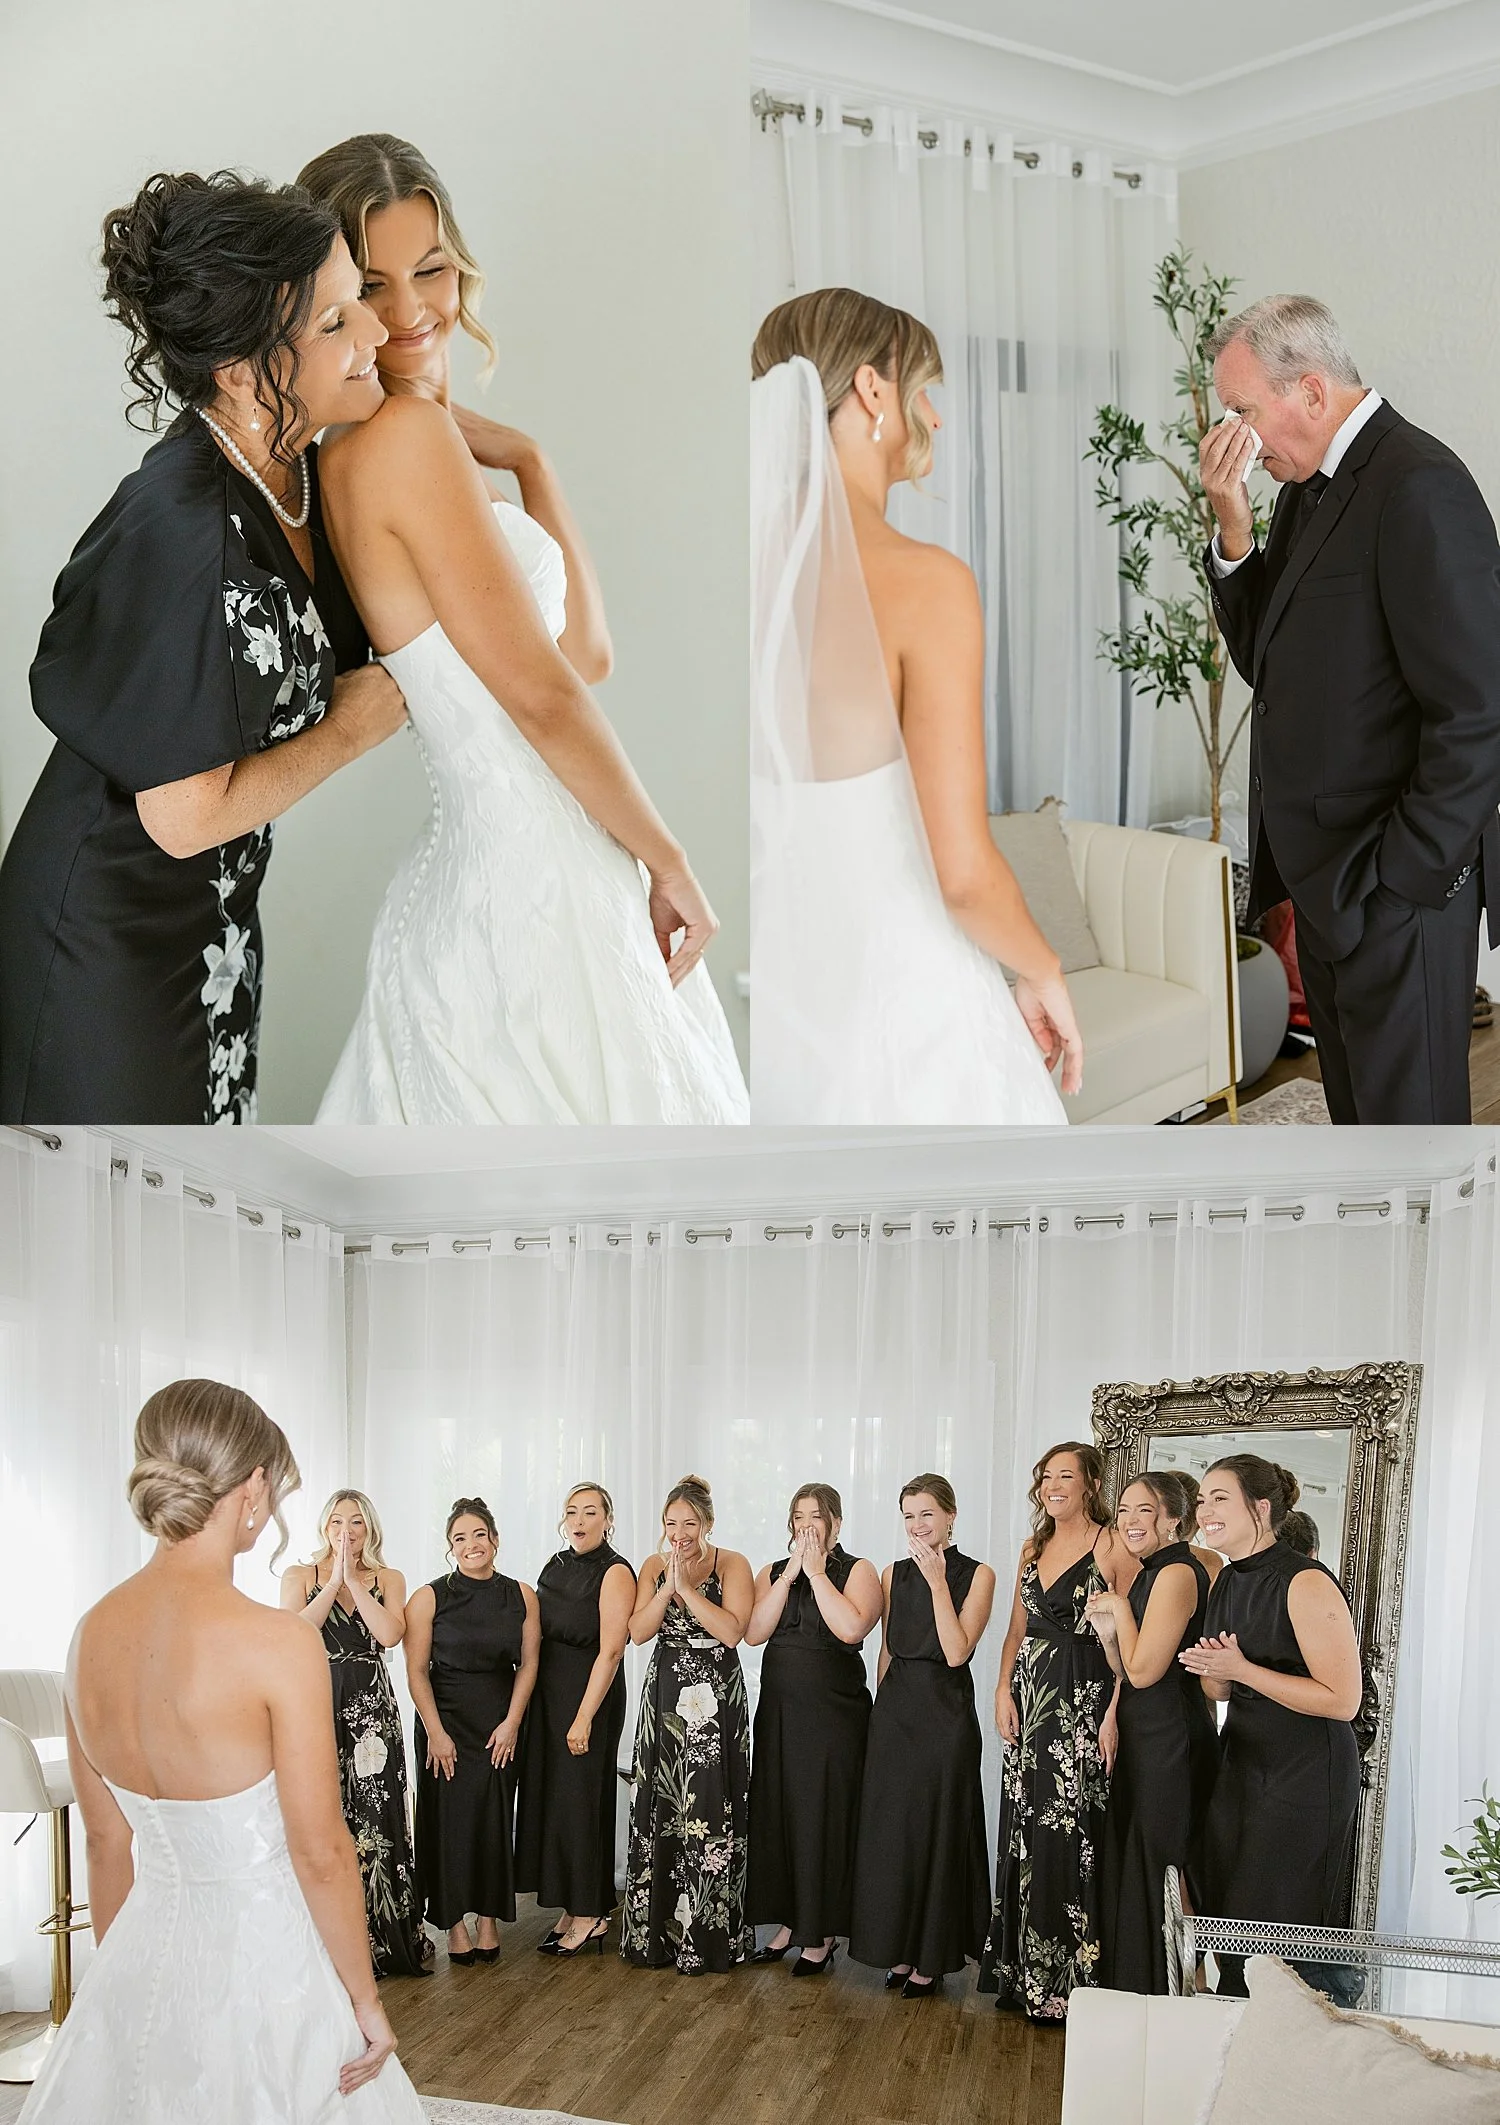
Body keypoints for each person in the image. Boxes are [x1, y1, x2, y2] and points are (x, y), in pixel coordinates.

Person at [295, 134, 748, 1125]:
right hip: (540, 896)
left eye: (431, 270)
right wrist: (672, 862)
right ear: (324, 295)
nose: (413, 312)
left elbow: (584, 655)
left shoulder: (367, 448)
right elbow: (545, 698)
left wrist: (534, 463)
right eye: (374, 286)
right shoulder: (402, 440)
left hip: (505, 877)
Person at [0, 172, 406, 1125]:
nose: (377, 335)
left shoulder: (297, 457)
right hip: (106, 946)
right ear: (239, 367)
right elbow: (183, 817)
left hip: (210, 933)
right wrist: (355, 726)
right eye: (340, 321)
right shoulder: (181, 531)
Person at [18, 1379, 419, 2121]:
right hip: (265, 1961)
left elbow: (108, 1843)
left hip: (138, 1954)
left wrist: (130, 1988)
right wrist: (365, 2001)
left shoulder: (88, 1634)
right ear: (255, 1485)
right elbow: (321, 1851)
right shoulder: (279, 1642)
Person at [748, 290, 1081, 1124]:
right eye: (922, 386)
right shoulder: (927, 582)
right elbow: (962, 875)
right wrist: (1043, 969)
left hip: (776, 1013)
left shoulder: (729, 574)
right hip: (901, 1006)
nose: (931, 411)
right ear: (871, 391)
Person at [1200, 293, 1500, 1124]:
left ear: (1311, 392)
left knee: (1414, 1146)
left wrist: (1400, 885)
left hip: (1394, 892)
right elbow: (1267, 659)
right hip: (1328, 889)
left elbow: (1479, 716)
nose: (1239, 442)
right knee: (1357, 1129)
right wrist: (1234, 529)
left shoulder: (1421, 486)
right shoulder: (1307, 488)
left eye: (1242, 412)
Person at [1179, 1455, 1362, 1998]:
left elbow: (1343, 1700)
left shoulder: (1304, 1581)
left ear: (1260, 1509)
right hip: (1246, 1764)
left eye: (1219, 1498)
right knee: (1233, 1915)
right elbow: (1222, 1690)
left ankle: (1296, 2054)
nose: (1204, 1510)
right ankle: (1238, 2047)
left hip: (1306, 1773)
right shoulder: (1227, 1581)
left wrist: (1242, 1670)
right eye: (1201, 1499)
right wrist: (1213, 1671)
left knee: (1283, 1922)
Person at [978, 1441, 1131, 2022]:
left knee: (1071, 1832)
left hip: (1083, 1699)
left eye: (1065, 1476)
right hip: (1031, 1702)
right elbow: (1017, 1629)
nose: (1052, 1486)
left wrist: (1116, 1705)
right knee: (1028, 1828)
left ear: (1091, 1483)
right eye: (1045, 1477)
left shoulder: (1110, 1544)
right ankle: (1023, 1973)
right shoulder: (1032, 1546)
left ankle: (1072, 1982)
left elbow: (1132, 1633)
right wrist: (1000, 1689)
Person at [848, 1476, 996, 1996]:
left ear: (951, 1516)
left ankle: (931, 1957)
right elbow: (887, 1650)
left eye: (927, 1514)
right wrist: (879, 1714)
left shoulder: (979, 1575)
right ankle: (899, 1947)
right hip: (896, 1715)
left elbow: (957, 1651)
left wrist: (937, 1582)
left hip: (945, 1715)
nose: (917, 1526)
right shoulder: (891, 1574)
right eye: (909, 1516)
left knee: (937, 1831)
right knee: (896, 1835)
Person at [280, 1490, 430, 1977]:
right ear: (325, 1527)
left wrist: (355, 1583)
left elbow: (390, 1636)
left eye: (358, 1524)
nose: (347, 1532)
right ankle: (327, 1943)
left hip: (372, 1711)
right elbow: (295, 1635)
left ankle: (385, 1938)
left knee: (377, 1816)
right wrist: (333, 1582)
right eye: (338, 1522)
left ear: (370, 1530)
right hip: (315, 1703)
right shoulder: (299, 1576)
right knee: (324, 1817)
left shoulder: (388, 1578)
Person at [1084, 1472, 1218, 1994]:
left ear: (1173, 1519)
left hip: (1172, 1740)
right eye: (1123, 1512)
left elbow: (1145, 1673)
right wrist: (1109, 1633)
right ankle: (1146, 1987)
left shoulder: (1179, 1572)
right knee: (1141, 1855)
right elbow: (1125, 1668)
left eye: (1144, 1511)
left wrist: (1117, 1608)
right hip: (1145, 1733)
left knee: (1166, 1861)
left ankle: (1189, 1987)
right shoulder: (1147, 1575)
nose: (1130, 1521)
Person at [745, 1484, 882, 1972]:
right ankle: (790, 1921)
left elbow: (851, 1629)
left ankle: (820, 1933)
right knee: (780, 1814)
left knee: (820, 1818)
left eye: (816, 1515)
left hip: (833, 1717)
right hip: (780, 1712)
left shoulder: (859, 1570)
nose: (806, 1524)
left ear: (836, 1524)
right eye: (798, 1514)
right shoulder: (771, 1572)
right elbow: (754, 1631)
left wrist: (818, 1574)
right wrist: (789, 1578)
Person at [620, 1475, 755, 1972]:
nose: (679, 1533)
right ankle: (657, 1935)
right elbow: (636, 1633)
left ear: (708, 1524)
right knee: (662, 1800)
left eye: (689, 1524)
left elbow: (733, 1631)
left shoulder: (732, 1563)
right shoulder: (653, 1565)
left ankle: (710, 1933)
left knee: (709, 1802)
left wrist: (687, 1590)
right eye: (671, 1523)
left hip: (715, 1697)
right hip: (666, 1692)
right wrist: (663, 1589)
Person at [403, 1497, 539, 1965]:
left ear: (495, 1540)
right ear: (450, 1547)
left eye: (478, 1534)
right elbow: (416, 1671)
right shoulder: (427, 1596)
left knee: (494, 1816)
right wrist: (435, 1733)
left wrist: (513, 1723)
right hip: (446, 1722)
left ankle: (487, 1920)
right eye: (459, 1538)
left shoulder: (520, 1594)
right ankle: (454, 1922)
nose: (471, 1544)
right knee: (448, 1821)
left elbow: (530, 1662)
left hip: (499, 1722)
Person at [514, 1483, 635, 1956]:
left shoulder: (616, 1572)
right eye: (571, 1513)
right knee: (557, 1802)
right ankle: (573, 1904)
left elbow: (611, 1651)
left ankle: (591, 1913)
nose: (579, 1521)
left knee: (584, 1800)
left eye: (590, 1512)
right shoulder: (555, 1564)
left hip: (590, 1693)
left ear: (608, 1519)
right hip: (550, 1692)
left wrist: (584, 1717)